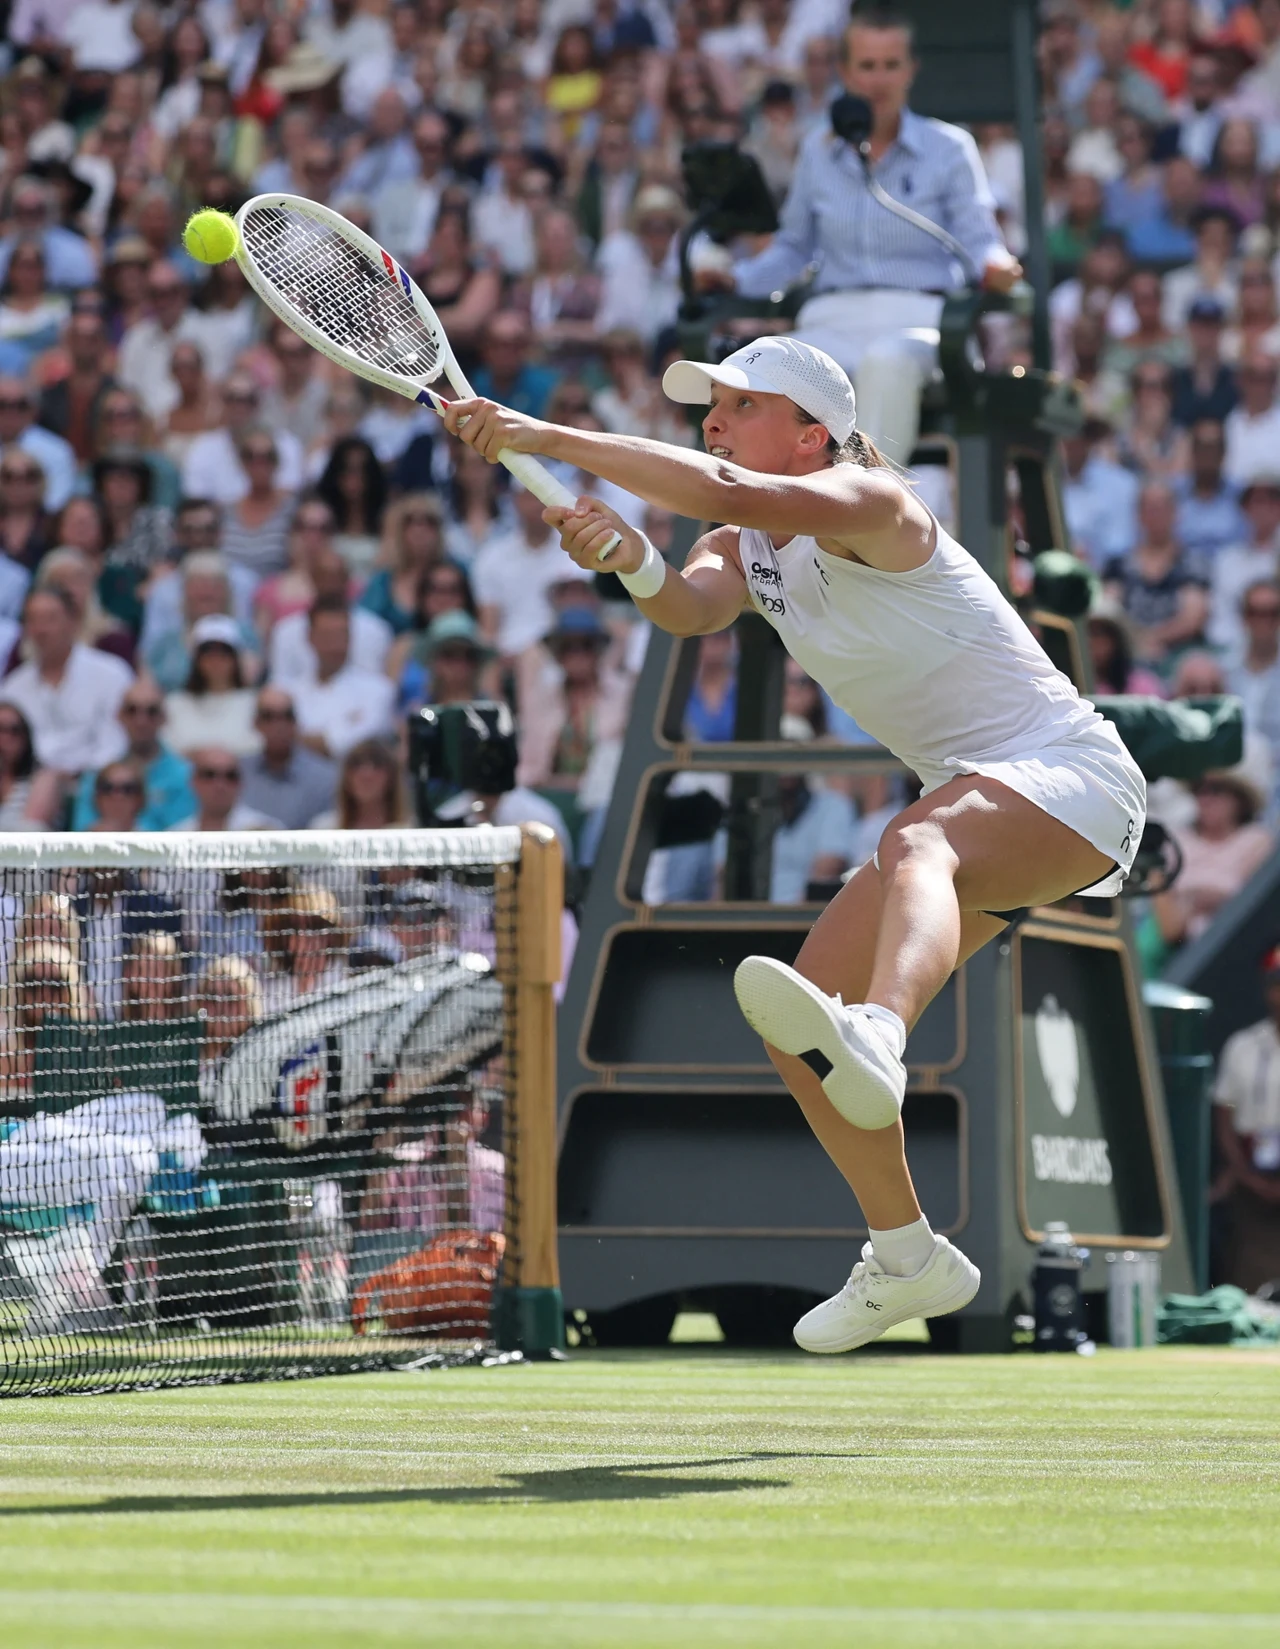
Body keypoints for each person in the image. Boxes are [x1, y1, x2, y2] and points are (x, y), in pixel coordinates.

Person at [443, 331, 1146, 1354]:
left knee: (914, 845)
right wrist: (626, 556)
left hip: (1073, 774)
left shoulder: (874, 502)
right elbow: (688, 609)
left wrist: (538, 432)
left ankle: (883, 1032)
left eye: (737, 403)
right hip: (986, 800)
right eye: (708, 406)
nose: (713, 420)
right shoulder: (742, 539)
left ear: (813, 433)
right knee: (795, 1027)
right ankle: (906, 1251)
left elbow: (724, 486)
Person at [719, 11, 1020, 470]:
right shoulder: (818, 152)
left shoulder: (950, 148)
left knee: (887, 362)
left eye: (890, 65)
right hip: (832, 317)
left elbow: (979, 240)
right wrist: (733, 278)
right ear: (845, 72)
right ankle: (773, 522)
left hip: (922, 319)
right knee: (773, 372)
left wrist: (997, 266)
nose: (879, 79)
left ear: (910, 70)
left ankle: (865, 519)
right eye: (867, 65)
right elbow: (793, 247)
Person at [0, 586, 132, 780]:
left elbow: (117, 741)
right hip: (31, 786)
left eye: (50, 619)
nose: (41, 630)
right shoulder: (13, 687)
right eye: (33, 620)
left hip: (99, 784)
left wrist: (76, 775)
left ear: (73, 622)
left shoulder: (111, 673)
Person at [1211, 946, 1280, 1291]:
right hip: (1252, 1175)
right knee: (1251, 1278)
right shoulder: (1244, 1044)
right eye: (1276, 982)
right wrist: (1242, 1172)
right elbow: (1223, 1115)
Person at [1154, 770, 1274, 949]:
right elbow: (1169, 928)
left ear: (1238, 799)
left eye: (1216, 790)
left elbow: (1253, 905)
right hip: (1182, 953)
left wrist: (1190, 899)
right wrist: (1203, 898)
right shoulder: (1175, 843)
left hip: (1240, 946)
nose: (1205, 799)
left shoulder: (1257, 841)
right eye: (1199, 790)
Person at [272, 596, 395, 760]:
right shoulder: (288, 692)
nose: (336, 644)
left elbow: (356, 745)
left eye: (342, 635)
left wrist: (293, 739)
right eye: (327, 636)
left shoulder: (379, 690)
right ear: (310, 638)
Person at [72, 682, 195, 832]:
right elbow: (81, 833)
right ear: (118, 715)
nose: (141, 721)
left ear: (164, 718)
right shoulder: (96, 774)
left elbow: (184, 834)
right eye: (132, 710)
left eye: (151, 711)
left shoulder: (187, 776)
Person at [162, 614, 261, 758]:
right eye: (207, 652)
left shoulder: (254, 703)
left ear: (236, 658)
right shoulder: (174, 703)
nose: (216, 660)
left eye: (224, 652)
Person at [240, 687, 338, 830]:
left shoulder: (325, 777)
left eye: (287, 716)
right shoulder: (236, 772)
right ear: (255, 723)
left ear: (296, 722)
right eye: (268, 716)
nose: (278, 724)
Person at [169, 746, 282, 831]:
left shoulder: (267, 832)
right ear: (193, 782)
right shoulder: (175, 836)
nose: (220, 785)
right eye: (209, 775)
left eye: (230, 776)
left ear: (240, 783)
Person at [311, 737, 411, 830]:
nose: (366, 774)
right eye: (356, 764)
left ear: (392, 776)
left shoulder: (410, 831)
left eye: (378, 763)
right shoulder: (324, 830)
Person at [0, 703, 60, 829]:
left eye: (14, 730)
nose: (5, 738)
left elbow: (31, 830)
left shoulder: (44, 778)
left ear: (26, 736)